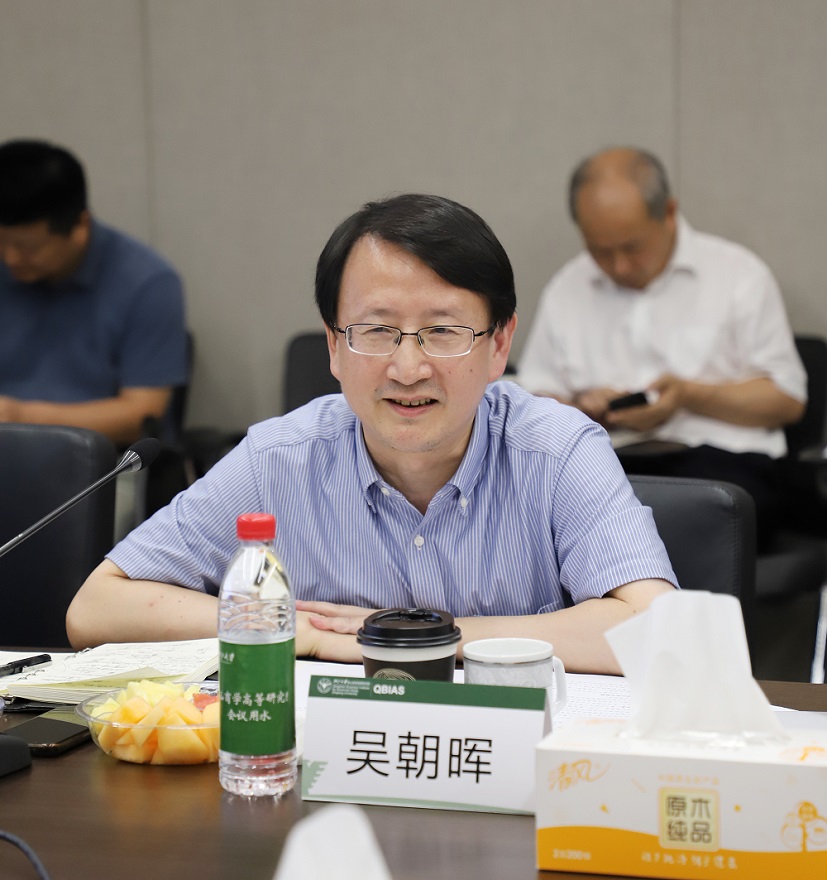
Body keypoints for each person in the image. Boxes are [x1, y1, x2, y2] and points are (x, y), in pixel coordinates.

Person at [67, 193, 676, 673]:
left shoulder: (558, 450)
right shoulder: (278, 459)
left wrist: (417, 639)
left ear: (499, 345)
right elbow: (97, 608)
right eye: (377, 331)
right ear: (334, 345)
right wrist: (298, 632)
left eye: (443, 331)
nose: (407, 369)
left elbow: (658, 631)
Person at [517, 147, 807, 548]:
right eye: (601, 251)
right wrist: (583, 408)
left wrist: (687, 396)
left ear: (669, 213)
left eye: (632, 248)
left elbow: (787, 400)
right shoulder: (568, 288)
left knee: (673, 519)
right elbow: (532, 402)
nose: (619, 266)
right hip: (607, 462)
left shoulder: (739, 276)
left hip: (723, 465)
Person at [0, 139, 187, 446]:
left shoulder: (147, 283)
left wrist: (20, 416)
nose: (9, 258)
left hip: (94, 457)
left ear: (80, 224)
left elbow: (142, 416)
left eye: (26, 247)